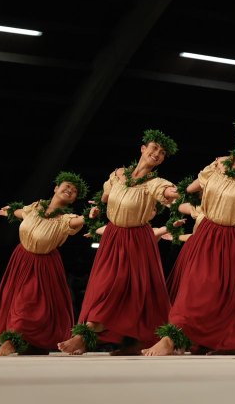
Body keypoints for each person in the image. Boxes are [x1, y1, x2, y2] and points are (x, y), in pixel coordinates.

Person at [144, 117, 235, 356]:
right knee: (198, 286)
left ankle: (229, 341)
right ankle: (172, 338)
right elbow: (191, 189)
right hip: (209, 234)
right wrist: (175, 194)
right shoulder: (218, 165)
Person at [58, 130, 179, 355]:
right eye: (154, 148)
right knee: (103, 285)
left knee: (129, 288)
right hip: (113, 236)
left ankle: (89, 332)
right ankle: (125, 340)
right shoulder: (119, 174)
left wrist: (179, 193)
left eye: (162, 154)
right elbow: (105, 199)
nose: (157, 154)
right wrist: (97, 210)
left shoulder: (155, 182)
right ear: (143, 148)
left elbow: (167, 191)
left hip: (137, 239)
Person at [0, 172, 87, 356]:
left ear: (74, 200)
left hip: (44, 264)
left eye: (74, 191)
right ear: (56, 188)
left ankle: (14, 341)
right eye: (67, 186)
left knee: (31, 303)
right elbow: (21, 213)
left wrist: (91, 215)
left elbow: (79, 221)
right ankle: (23, 342)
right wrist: (10, 212)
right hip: (21, 259)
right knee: (18, 300)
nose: (70, 190)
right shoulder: (36, 207)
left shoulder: (65, 219)